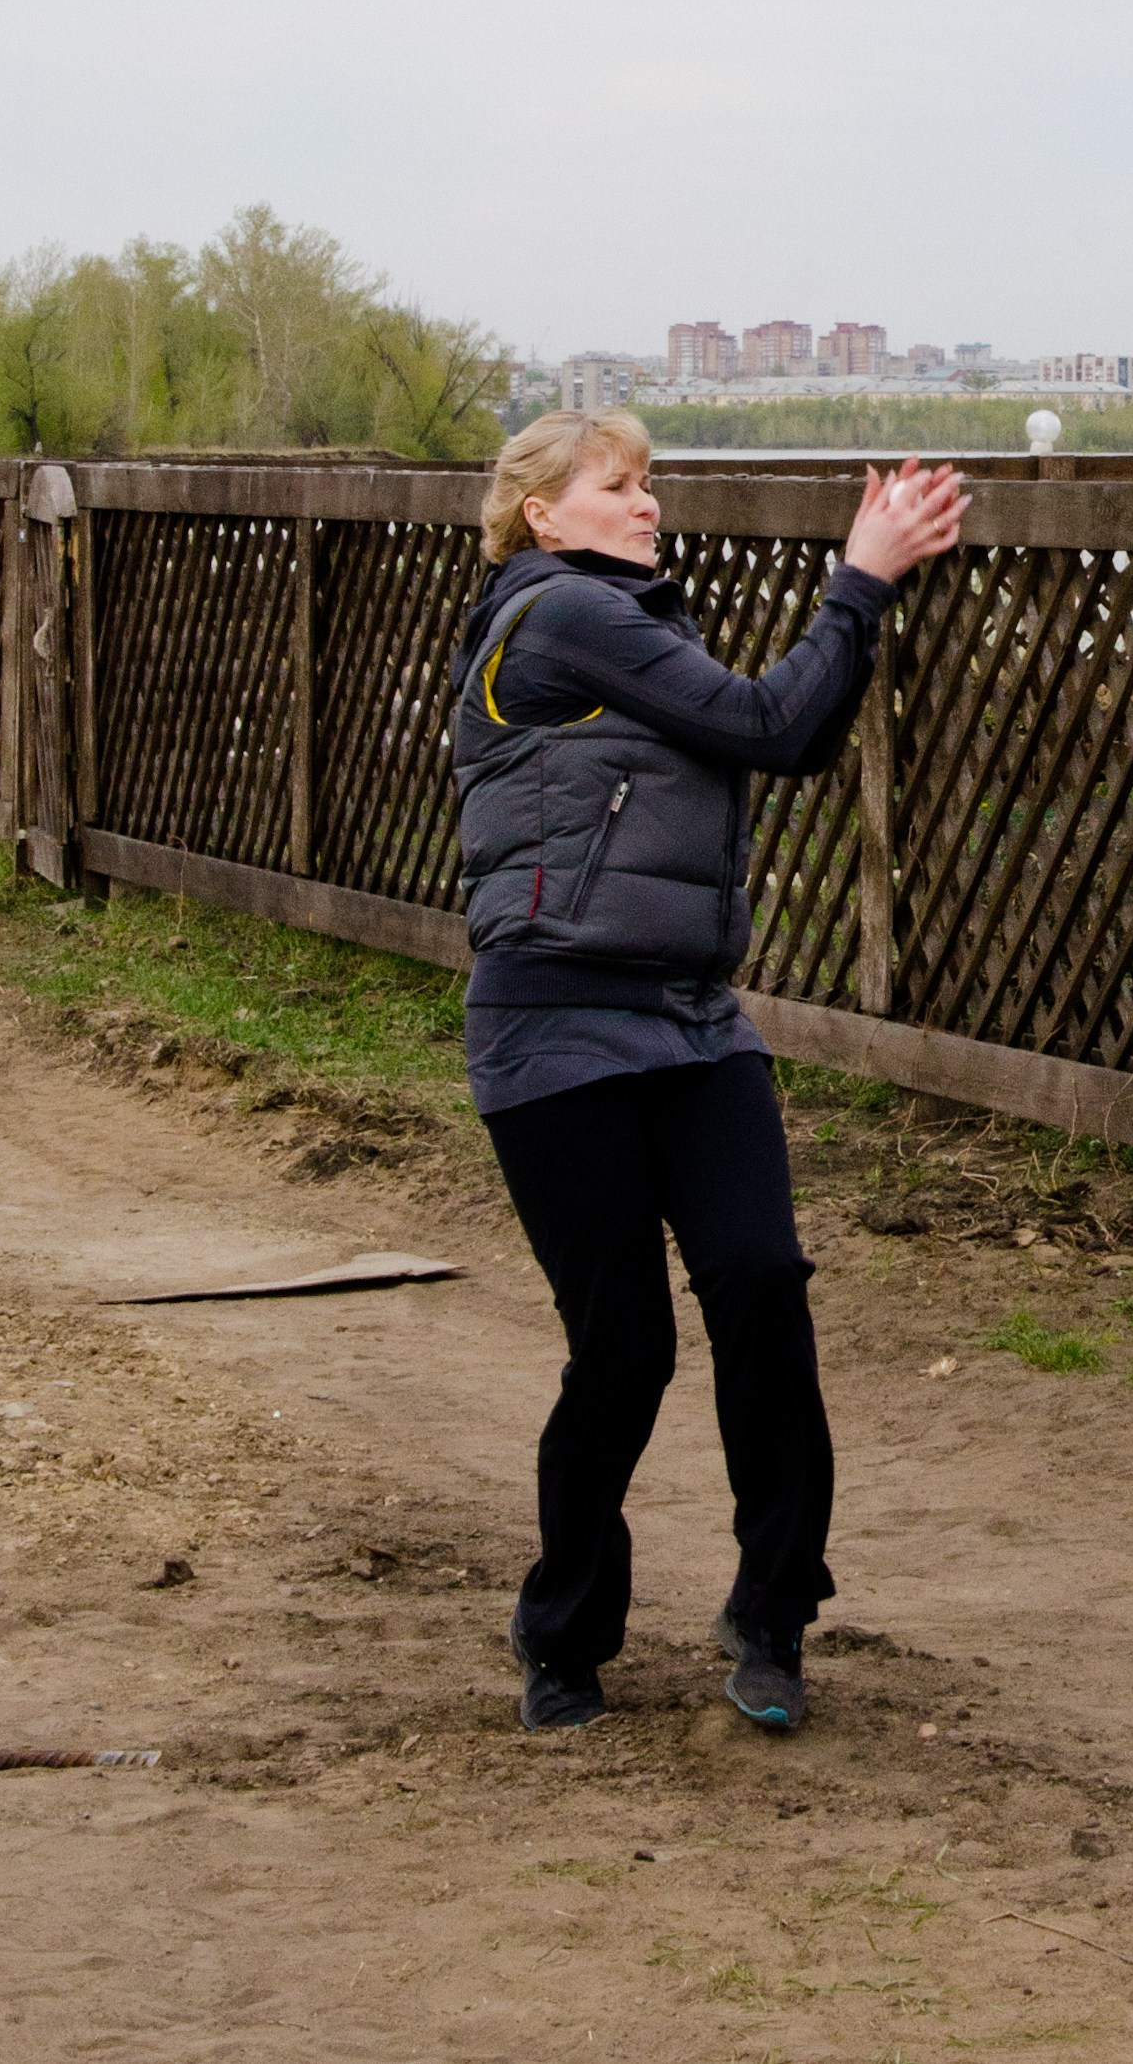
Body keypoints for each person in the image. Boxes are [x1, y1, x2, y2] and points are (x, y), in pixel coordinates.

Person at [452, 408, 965, 1736]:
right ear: (542, 513)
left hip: (689, 1020)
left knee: (761, 1282)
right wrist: (864, 574)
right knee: (623, 1348)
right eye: (619, 485)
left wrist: (870, 595)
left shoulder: (640, 627)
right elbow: (769, 723)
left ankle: (774, 1610)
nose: (649, 504)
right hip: (554, 1028)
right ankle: (563, 1634)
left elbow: (782, 729)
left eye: (649, 483)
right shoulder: (559, 616)